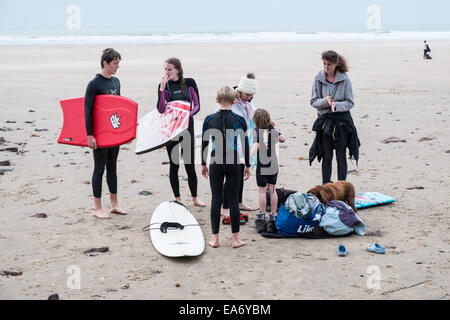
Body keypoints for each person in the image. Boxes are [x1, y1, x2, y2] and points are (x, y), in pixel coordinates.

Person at [201, 85, 251, 248]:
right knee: (234, 199)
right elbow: (244, 143)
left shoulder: (209, 119)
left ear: (217, 100)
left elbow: (205, 143)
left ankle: (215, 239)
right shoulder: (239, 120)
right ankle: (235, 240)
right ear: (235, 100)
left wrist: (203, 163)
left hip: (215, 161)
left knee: (216, 198)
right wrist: (248, 165)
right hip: (233, 160)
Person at [157, 57, 205, 207]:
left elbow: (197, 105)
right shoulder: (164, 85)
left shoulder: (189, 83)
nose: (167, 72)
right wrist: (162, 89)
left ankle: (195, 198)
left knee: (190, 165)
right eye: (165, 69)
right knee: (174, 165)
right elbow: (161, 109)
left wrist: (186, 115)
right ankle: (178, 199)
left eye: (170, 69)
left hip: (187, 129)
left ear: (178, 69)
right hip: (172, 131)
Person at [84, 48, 127, 219]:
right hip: (100, 134)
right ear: (105, 63)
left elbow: (120, 109)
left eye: (118, 63)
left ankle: (114, 205)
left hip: (114, 133)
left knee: (113, 169)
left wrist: (125, 133)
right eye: (115, 63)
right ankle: (97, 208)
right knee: (99, 169)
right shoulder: (94, 84)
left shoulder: (116, 82)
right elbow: (87, 110)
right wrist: (89, 135)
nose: (117, 66)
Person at [309, 50, 360, 185]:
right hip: (325, 123)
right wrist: (325, 102)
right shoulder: (318, 78)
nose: (326, 67)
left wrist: (336, 105)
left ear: (336, 64)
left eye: (329, 65)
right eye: (324, 64)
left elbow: (350, 102)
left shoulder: (345, 79)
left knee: (341, 157)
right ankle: (326, 187)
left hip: (342, 123)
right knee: (326, 157)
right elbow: (313, 101)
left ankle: (341, 188)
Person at [217, 73, 258, 225]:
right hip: (230, 142)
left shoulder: (249, 103)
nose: (249, 97)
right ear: (240, 91)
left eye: (251, 94)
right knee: (231, 177)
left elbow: (253, 118)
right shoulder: (229, 99)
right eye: (247, 94)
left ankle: (239, 202)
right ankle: (225, 206)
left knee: (240, 174)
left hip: (244, 140)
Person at [250, 109, 286, 233]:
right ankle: (273, 215)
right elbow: (283, 139)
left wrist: (247, 157)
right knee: (272, 190)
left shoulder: (256, 132)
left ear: (255, 121)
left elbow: (256, 146)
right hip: (274, 165)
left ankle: (262, 214)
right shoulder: (274, 131)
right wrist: (274, 128)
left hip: (263, 165)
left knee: (261, 191)